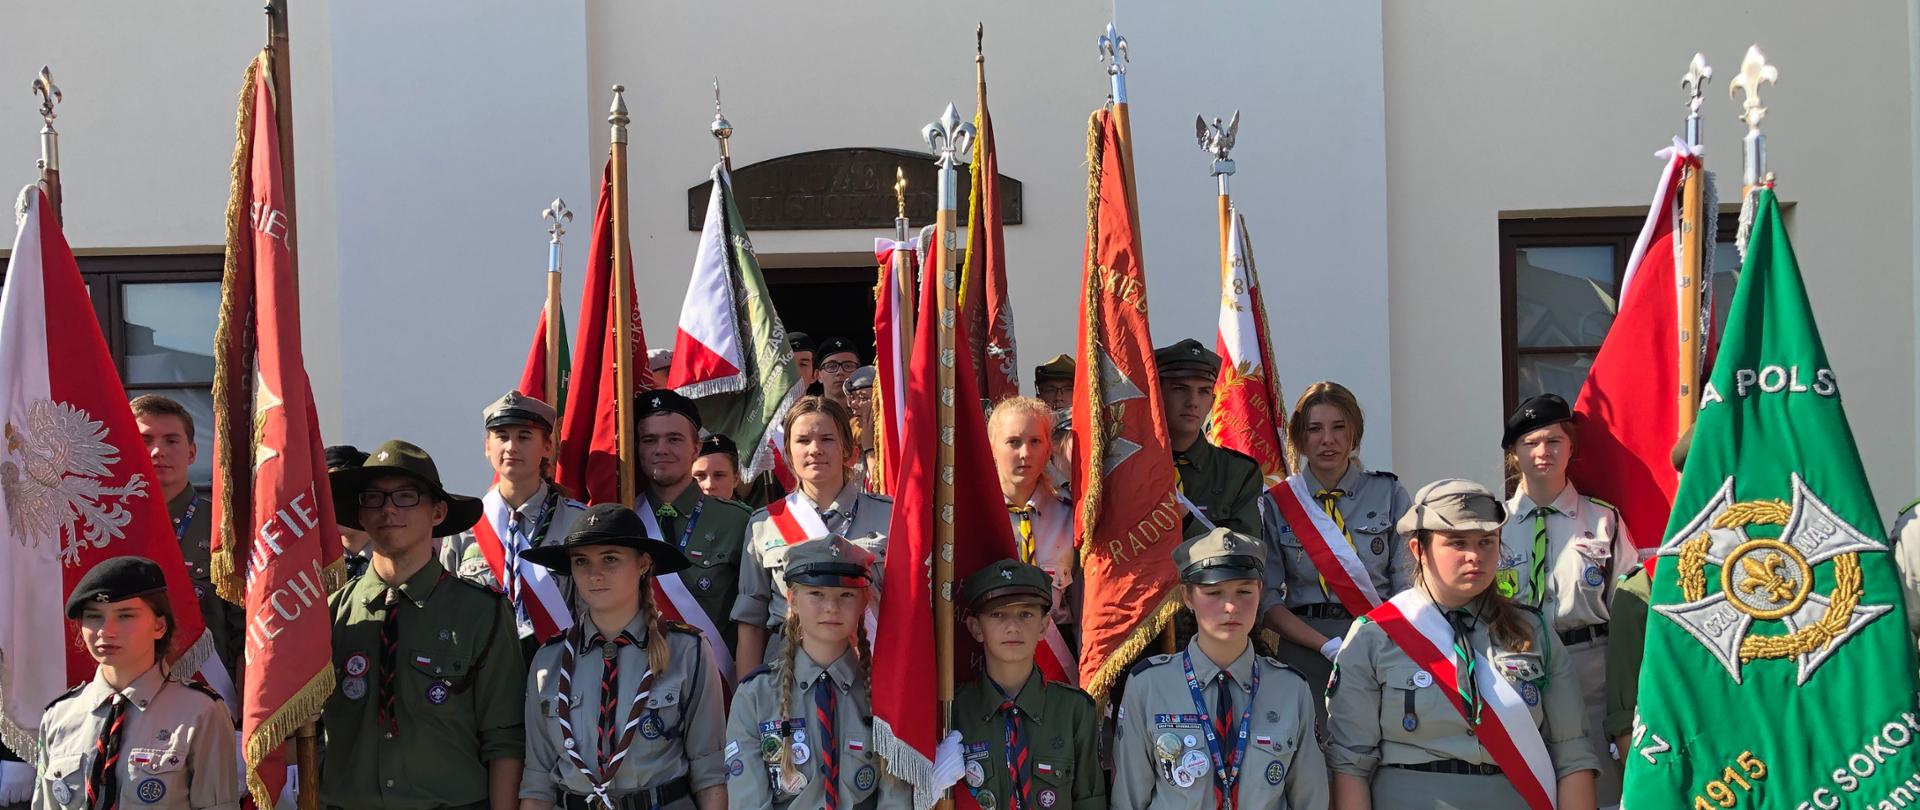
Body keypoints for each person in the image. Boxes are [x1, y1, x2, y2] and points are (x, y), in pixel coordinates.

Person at [1326, 479, 1597, 810]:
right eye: (1457, 543)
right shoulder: (1376, 636)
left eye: (1486, 542)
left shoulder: (1533, 631)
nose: (1475, 556)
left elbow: (1573, 753)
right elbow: (1350, 765)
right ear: (1418, 549)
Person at [323, 439, 525, 810]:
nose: (388, 509)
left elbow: (504, 739)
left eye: (406, 496)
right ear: (360, 515)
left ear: (438, 512)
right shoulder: (330, 615)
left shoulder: (482, 613)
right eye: (374, 498)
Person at [518, 504, 727, 809]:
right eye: (581, 561)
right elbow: (538, 779)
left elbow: (709, 771)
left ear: (643, 564)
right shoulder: (550, 660)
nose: (594, 574)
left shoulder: (687, 650)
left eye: (611, 559)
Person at [1112, 528, 1327, 809]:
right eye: (1213, 593)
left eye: (1244, 592)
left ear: (1260, 592)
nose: (1230, 606)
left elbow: (1310, 800)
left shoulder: (1290, 688)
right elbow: (1128, 800)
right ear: (1187, 597)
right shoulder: (1149, 685)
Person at [1498, 394, 1635, 803]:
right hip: (1516, 664)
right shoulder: (1493, 526)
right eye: (1531, 443)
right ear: (1514, 454)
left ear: (1572, 447)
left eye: (1554, 440)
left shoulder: (1603, 520)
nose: (1543, 452)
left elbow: (1627, 609)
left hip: (1589, 667)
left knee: (1596, 785)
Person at [32, 556, 240, 810]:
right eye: (94, 616)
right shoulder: (59, 716)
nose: (106, 631)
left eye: (125, 616)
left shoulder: (200, 713)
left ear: (159, 626)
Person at [1259, 380, 1412, 721]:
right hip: (1304, 647)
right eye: (1314, 429)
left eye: (1339, 427)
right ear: (1299, 437)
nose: (1328, 440)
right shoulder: (1279, 504)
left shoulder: (1388, 493)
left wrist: (1385, 639)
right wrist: (1324, 645)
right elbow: (1266, 600)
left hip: (1378, 643)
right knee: (1308, 757)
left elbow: (1407, 585)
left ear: (1354, 434)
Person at [723, 536, 911, 809]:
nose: (831, 607)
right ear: (792, 600)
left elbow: (895, 801)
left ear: (864, 601)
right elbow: (748, 801)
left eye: (846, 595)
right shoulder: (756, 696)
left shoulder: (884, 696)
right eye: (816, 594)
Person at [732, 396, 891, 680]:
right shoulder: (764, 524)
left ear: (848, 452)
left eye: (827, 439)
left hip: (871, 674)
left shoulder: (890, 517)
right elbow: (751, 622)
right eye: (803, 440)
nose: (815, 449)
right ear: (788, 454)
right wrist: (748, 696)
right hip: (789, 680)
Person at [441, 391, 590, 657]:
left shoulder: (577, 522)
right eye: (502, 437)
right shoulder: (465, 525)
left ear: (547, 446)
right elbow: (446, 608)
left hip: (557, 669)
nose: (511, 447)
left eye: (524, 436)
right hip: (480, 673)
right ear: (487, 446)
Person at [952, 559, 1105, 810]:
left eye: (1026, 614)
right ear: (976, 627)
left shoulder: (1074, 712)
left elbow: (1091, 802)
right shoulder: (954, 711)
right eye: (997, 614)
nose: (1012, 626)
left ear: (1044, 626)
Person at [130, 394, 244, 694]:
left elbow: (244, 628)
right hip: (127, 694)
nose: (157, 451)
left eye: (171, 441)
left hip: (207, 696)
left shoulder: (224, 526)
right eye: (145, 439)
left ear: (192, 453)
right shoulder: (109, 526)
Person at [636, 390, 754, 663]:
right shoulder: (625, 519)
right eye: (649, 440)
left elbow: (754, 618)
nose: (661, 449)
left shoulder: (738, 522)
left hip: (715, 686)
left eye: (674, 439)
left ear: (696, 448)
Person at [1153, 340, 1262, 539]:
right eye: (1180, 389)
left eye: (1203, 391)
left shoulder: (1238, 473)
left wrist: (1186, 521)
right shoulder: (1134, 466)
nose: (1193, 402)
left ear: (1212, 402)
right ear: (1158, 395)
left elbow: (1247, 554)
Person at [987, 398, 1076, 636]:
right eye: (1013, 442)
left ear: (1048, 449)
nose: (1025, 453)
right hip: (991, 650)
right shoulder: (974, 516)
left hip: (1059, 655)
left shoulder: (1071, 514)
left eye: (1035, 441)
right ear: (992, 447)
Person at [327, 444, 375, 579]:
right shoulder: (308, 563)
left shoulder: (406, 555)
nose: (334, 503)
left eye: (345, 492)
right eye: (325, 494)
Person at [844, 366, 877, 492]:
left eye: (863, 398)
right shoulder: (848, 439)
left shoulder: (896, 439)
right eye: (852, 398)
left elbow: (884, 493)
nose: (853, 405)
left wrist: (870, 449)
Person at [813, 338, 862, 407]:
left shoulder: (874, 412)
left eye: (848, 366)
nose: (840, 372)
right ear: (818, 375)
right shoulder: (809, 415)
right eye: (831, 366)